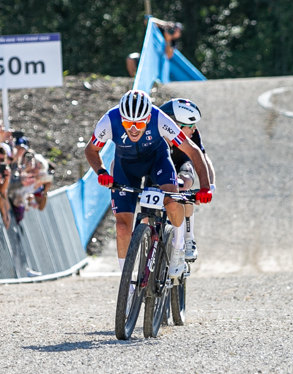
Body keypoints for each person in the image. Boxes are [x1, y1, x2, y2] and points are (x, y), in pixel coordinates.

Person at [84, 88, 212, 279]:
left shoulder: (159, 117)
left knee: (172, 200)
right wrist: (101, 171)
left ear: (149, 118)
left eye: (140, 123)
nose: (133, 128)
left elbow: (193, 151)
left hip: (157, 162)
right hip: (125, 167)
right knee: (122, 227)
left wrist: (205, 188)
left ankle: (178, 249)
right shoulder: (109, 120)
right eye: (127, 123)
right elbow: (91, 150)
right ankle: (126, 282)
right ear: (121, 118)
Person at [160, 97, 215, 266]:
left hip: (182, 163)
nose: (194, 129)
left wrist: (210, 186)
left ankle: (189, 236)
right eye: (190, 126)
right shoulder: (156, 131)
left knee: (184, 185)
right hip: (159, 166)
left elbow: (204, 159)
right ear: (176, 126)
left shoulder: (193, 136)